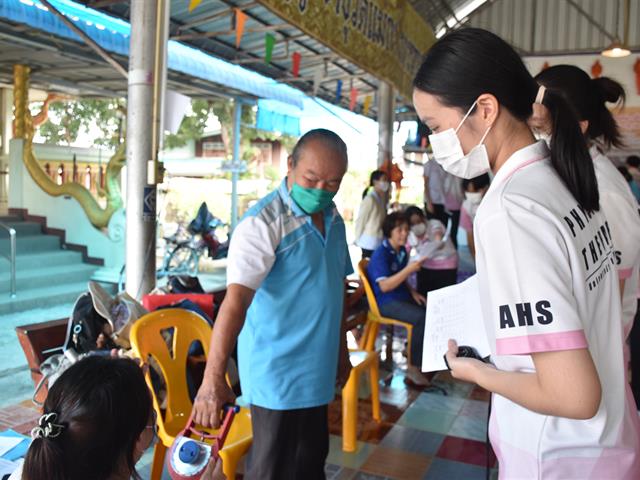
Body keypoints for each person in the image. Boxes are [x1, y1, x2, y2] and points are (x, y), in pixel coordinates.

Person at [413, 27, 640, 478]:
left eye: (436, 127)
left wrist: (476, 372)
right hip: (609, 439)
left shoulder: (509, 209)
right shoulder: (563, 175)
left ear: (484, 109)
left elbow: (574, 396)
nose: (432, 143)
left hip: (559, 454)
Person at [192, 129, 353, 480]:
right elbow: (234, 305)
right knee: (272, 469)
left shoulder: (336, 219)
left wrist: (342, 351)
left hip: (318, 369)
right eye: (311, 179)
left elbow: (335, 289)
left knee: (310, 466)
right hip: (276, 374)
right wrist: (212, 378)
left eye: (332, 183)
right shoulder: (263, 222)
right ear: (291, 165)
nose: (321, 190)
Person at [534, 66, 640, 387]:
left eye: (538, 126)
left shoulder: (605, 193)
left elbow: (609, 302)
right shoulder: (571, 177)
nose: (530, 135)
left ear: (578, 127)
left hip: (592, 363)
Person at [15, 356, 221, 480]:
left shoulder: (38, 463)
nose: (155, 417)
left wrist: (124, 381)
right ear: (138, 438)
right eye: (151, 414)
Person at [367, 211, 430, 387]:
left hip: (399, 296)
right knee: (421, 318)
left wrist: (412, 292)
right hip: (385, 302)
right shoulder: (382, 253)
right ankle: (413, 365)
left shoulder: (401, 250)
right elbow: (384, 286)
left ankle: (414, 350)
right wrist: (409, 270)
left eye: (406, 229)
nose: (404, 233)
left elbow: (399, 277)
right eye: (399, 230)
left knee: (429, 310)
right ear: (389, 232)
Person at [405, 205, 458, 294]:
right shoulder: (410, 234)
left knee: (445, 295)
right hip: (426, 266)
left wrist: (436, 243)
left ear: (423, 218)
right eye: (412, 224)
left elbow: (438, 239)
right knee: (424, 295)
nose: (416, 225)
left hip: (446, 265)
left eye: (418, 221)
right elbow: (407, 251)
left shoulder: (434, 224)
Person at [355, 170, 389, 258]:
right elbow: (361, 220)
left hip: (377, 241)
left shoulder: (380, 199)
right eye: (383, 179)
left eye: (386, 180)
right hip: (368, 242)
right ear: (375, 182)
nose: (386, 182)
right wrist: (357, 238)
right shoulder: (370, 199)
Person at [459, 174, 491, 259]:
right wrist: (476, 259)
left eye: (476, 191)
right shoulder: (466, 207)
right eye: (468, 192)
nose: (472, 195)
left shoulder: (493, 201)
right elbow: (470, 237)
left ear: (486, 187)